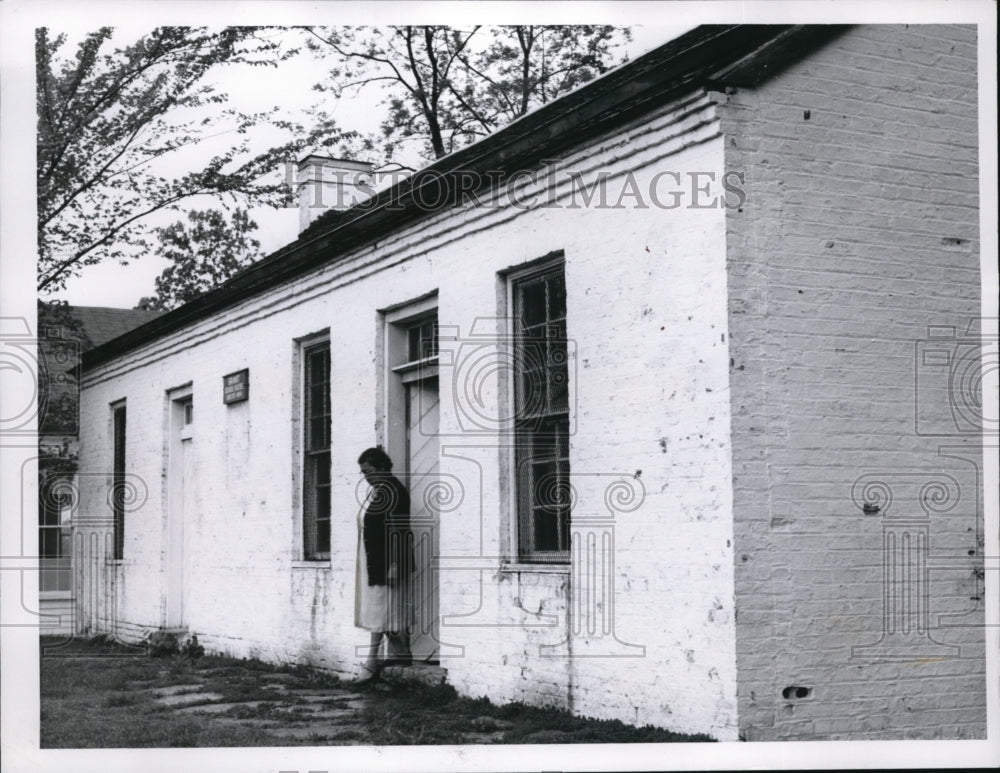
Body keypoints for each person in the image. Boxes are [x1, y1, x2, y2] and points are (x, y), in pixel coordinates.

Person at [354, 446, 412, 686]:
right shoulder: (377, 491)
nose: (366, 477)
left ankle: (371, 661)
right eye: (363, 473)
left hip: (387, 562)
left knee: (380, 611)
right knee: (386, 611)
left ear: (381, 468)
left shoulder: (394, 491)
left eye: (368, 471)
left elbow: (400, 531)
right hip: (373, 560)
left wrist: (396, 564)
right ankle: (403, 657)